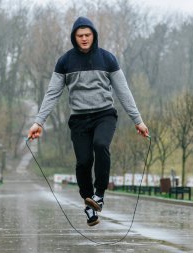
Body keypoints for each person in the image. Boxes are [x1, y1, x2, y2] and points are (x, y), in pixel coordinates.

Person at [28, 16, 149, 226]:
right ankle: (88, 202)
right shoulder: (65, 62)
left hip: (104, 115)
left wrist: (137, 120)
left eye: (88, 35)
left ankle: (99, 195)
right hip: (79, 119)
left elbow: (123, 91)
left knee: (101, 145)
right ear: (74, 37)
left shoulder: (108, 59)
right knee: (83, 162)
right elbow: (52, 93)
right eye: (80, 35)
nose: (84, 39)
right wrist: (39, 122)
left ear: (94, 35)